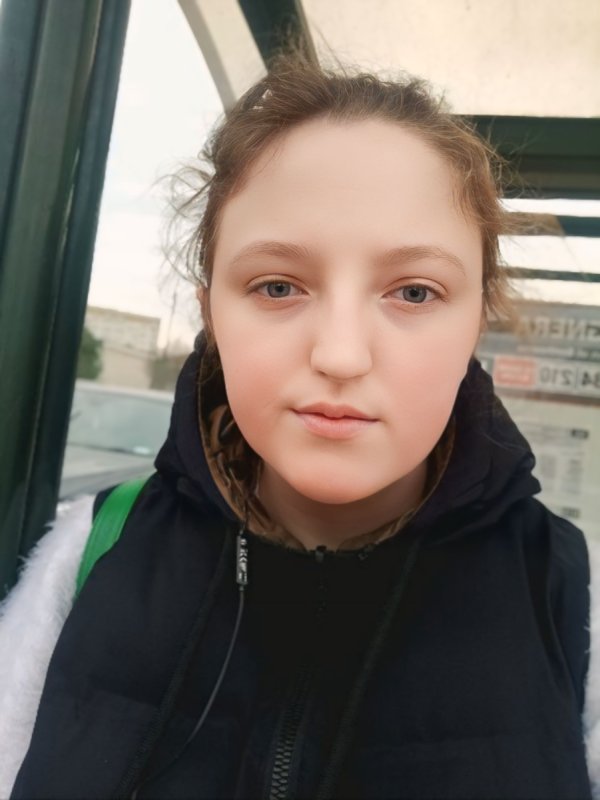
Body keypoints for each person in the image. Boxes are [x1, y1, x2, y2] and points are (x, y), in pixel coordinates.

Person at [1, 50, 599, 799]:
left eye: (414, 292)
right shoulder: (93, 553)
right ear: (210, 310)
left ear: (479, 316)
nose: (341, 355)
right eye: (278, 286)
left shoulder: (570, 595)